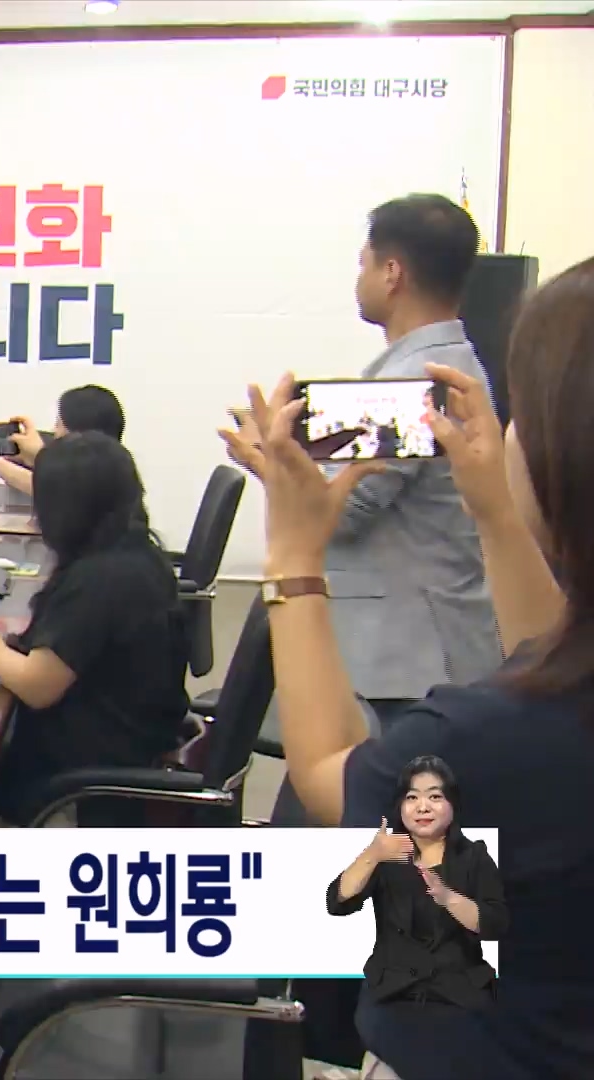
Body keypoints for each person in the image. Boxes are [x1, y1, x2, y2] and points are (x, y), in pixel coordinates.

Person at [218, 255, 594, 1079]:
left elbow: (327, 773)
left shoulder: (484, 742)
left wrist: (292, 554)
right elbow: (548, 654)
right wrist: (492, 504)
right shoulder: (550, 712)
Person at [234, 196, 499, 803]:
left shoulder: (416, 378)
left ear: (392, 272)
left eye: (364, 263)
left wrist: (275, 463)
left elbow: (346, 511)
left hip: (405, 659)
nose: (359, 278)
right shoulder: (432, 365)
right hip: (405, 648)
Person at [0, 432, 189, 827]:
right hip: (128, 742)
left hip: (82, 778)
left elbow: (37, 686)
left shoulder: (97, 581)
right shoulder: (140, 553)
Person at [329, 756, 505, 1078]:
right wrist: (372, 855)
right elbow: (338, 901)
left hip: (458, 997)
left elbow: (494, 924)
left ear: (452, 804)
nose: (423, 806)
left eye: (434, 796)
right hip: (393, 995)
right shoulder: (388, 855)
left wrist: (449, 898)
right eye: (412, 797)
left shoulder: (474, 857)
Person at [0, 383, 125, 497]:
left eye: (59, 424)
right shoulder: (117, 467)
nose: (54, 431)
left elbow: (48, 487)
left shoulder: (92, 486)